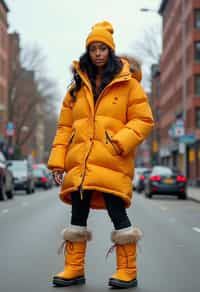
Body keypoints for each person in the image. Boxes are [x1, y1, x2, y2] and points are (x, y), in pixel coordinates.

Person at [48, 21, 154, 289]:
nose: (97, 53)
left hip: (111, 162)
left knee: (118, 214)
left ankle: (127, 271)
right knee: (77, 215)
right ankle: (74, 269)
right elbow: (64, 128)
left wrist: (120, 142)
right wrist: (57, 162)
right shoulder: (76, 87)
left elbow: (143, 120)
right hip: (81, 164)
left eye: (102, 48)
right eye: (93, 48)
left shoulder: (128, 84)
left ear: (110, 51)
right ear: (88, 52)